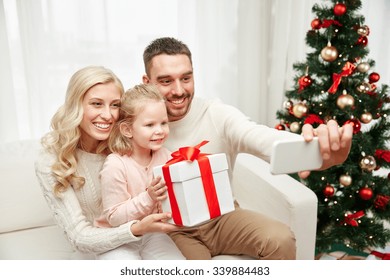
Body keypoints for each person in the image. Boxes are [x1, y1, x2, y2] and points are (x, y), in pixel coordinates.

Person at [141, 37, 353, 260]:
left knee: (279, 239)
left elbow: (259, 136)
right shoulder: (136, 123)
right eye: (165, 81)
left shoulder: (215, 113)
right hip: (174, 229)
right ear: (147, 82)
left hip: (222, 218)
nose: (178, 91)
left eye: (186, 78)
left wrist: (318, 152)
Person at [35, 65, 181, 260]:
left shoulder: (127, 141)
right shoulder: (52, 160)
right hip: (98, 247)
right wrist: (136, 229)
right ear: (76, 106)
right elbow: (79, 236)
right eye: (96, 104)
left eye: (114, 105)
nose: (107, 115)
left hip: (147, 234)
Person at [97, 84, 185, 259]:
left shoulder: (165, 156)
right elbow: (114, 218)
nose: (160, 130)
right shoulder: (115, 165)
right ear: (128, 130)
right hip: (117, 237)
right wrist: (149, 197)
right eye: (150, 125)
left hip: (153, 233)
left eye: (164, 123)